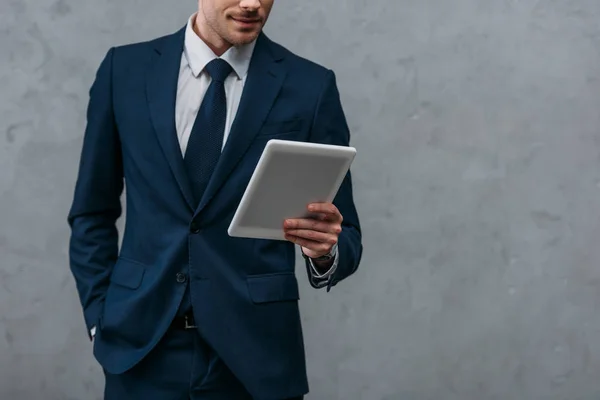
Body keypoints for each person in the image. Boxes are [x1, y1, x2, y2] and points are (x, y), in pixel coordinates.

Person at [67, 0, 363, 398]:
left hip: (256, 355)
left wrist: (324, 252)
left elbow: (346, 232)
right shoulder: (125, 71)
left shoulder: (309, 86)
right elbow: (92, 211)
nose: (252, 4)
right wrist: (99, 317)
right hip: (140, 346)